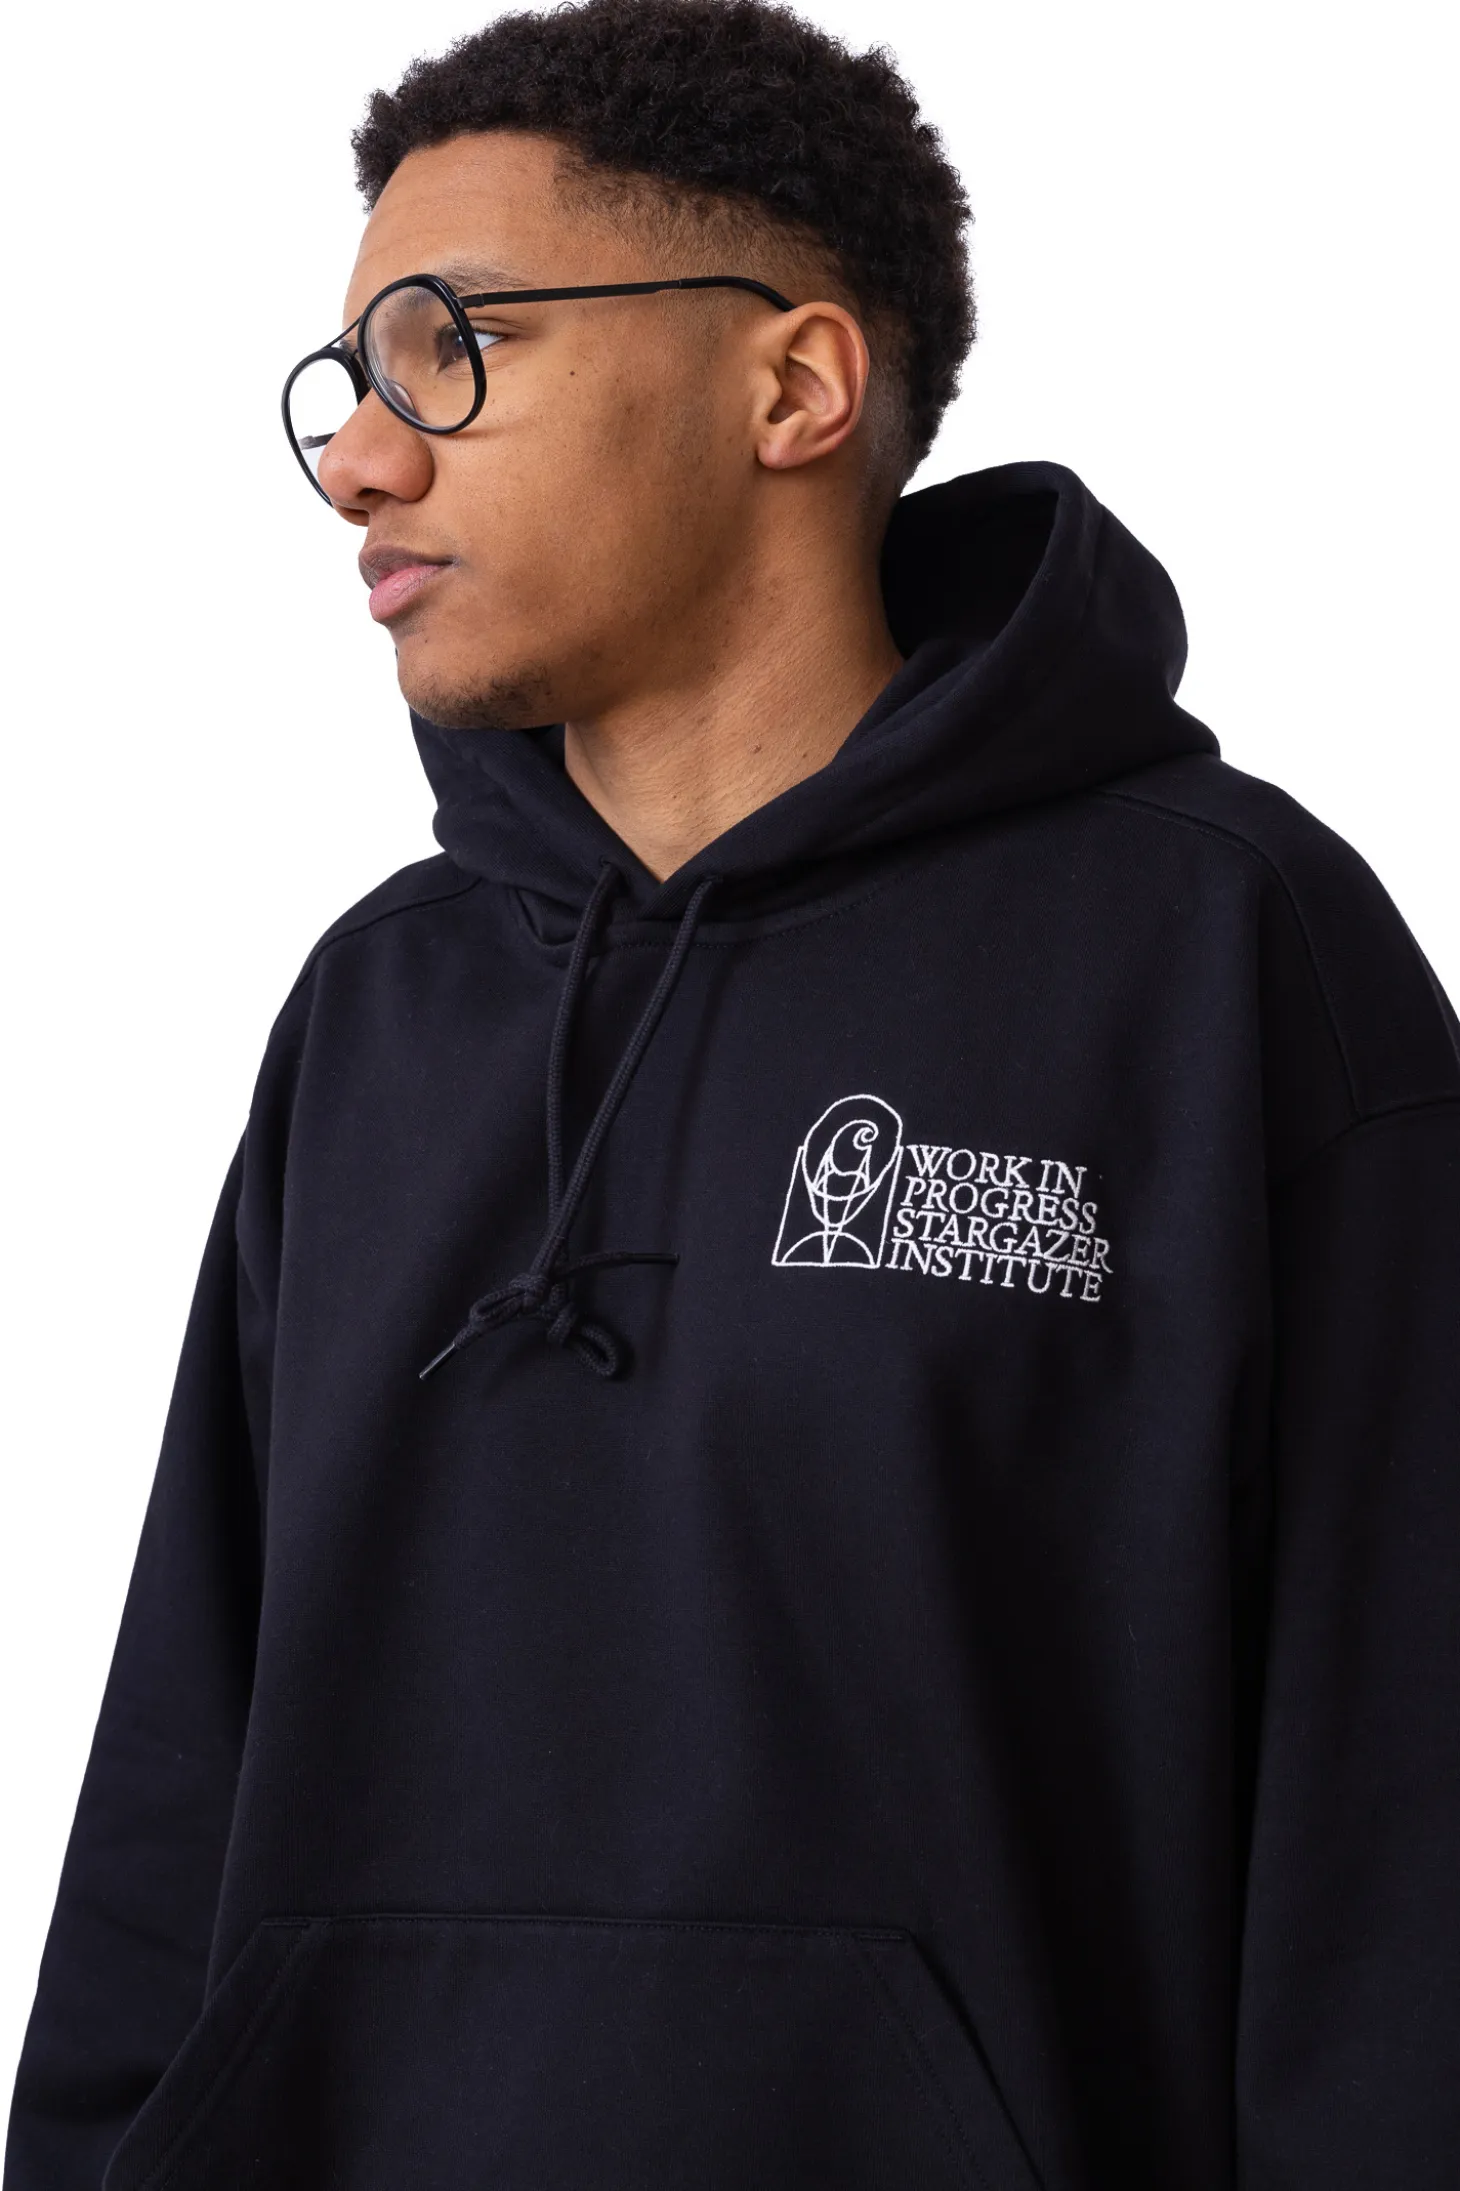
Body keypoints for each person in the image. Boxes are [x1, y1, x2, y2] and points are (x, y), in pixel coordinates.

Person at [6, 0, 1459, 2184]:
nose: (362, 459)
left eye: (452, 347)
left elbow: (1400, 1826)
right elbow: (172, 1783)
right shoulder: (381, 1007)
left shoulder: (1228, 954)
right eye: (348, 383)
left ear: (790, 386)